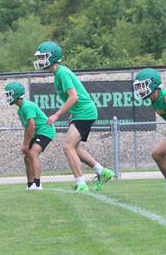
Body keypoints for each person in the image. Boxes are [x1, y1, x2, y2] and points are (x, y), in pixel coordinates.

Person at [34, 41, 115, 191]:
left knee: (67, 147)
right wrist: (72, 114)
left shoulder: (62, 73)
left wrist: (57, 115)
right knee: (74, 148)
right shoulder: (59, 73)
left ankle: (81, 184)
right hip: (81, 113)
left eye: (43, 57)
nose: (40, 61)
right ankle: (102, 171)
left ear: (53, 57)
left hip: (85, 113)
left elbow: (74, 97)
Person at [4, 81, 56, 190]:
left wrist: (26, 144)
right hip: (37, 132)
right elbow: (28, 128)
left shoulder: (26, 106)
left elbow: (31, 126)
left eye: (9, 94)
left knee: (33, 153)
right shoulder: (20, 109)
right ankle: (30, 184)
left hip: (45, 130)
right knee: (27, 157)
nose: (7, 96)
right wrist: (25, 144)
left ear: (16, 94)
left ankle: (37, 184)